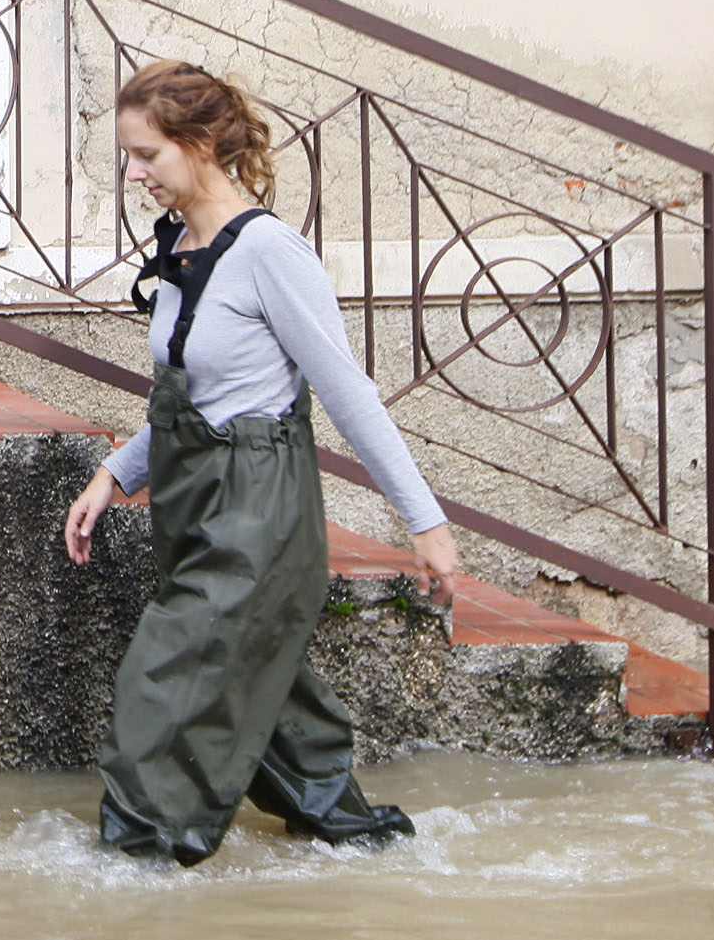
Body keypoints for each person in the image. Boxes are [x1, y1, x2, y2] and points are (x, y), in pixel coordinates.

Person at [60, 59, 458, 865]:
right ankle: (356, 837)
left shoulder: (270, 252)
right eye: (130, 158)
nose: (135, 175)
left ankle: (131, 869)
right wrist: (115, 474)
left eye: (148, 156)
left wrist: (426, 521)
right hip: (191, 493)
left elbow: (347, 393)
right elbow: (193, 390)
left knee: (166, 683)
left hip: (259, 504)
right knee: (266, 685)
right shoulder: (180, 244)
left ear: (201, 144)